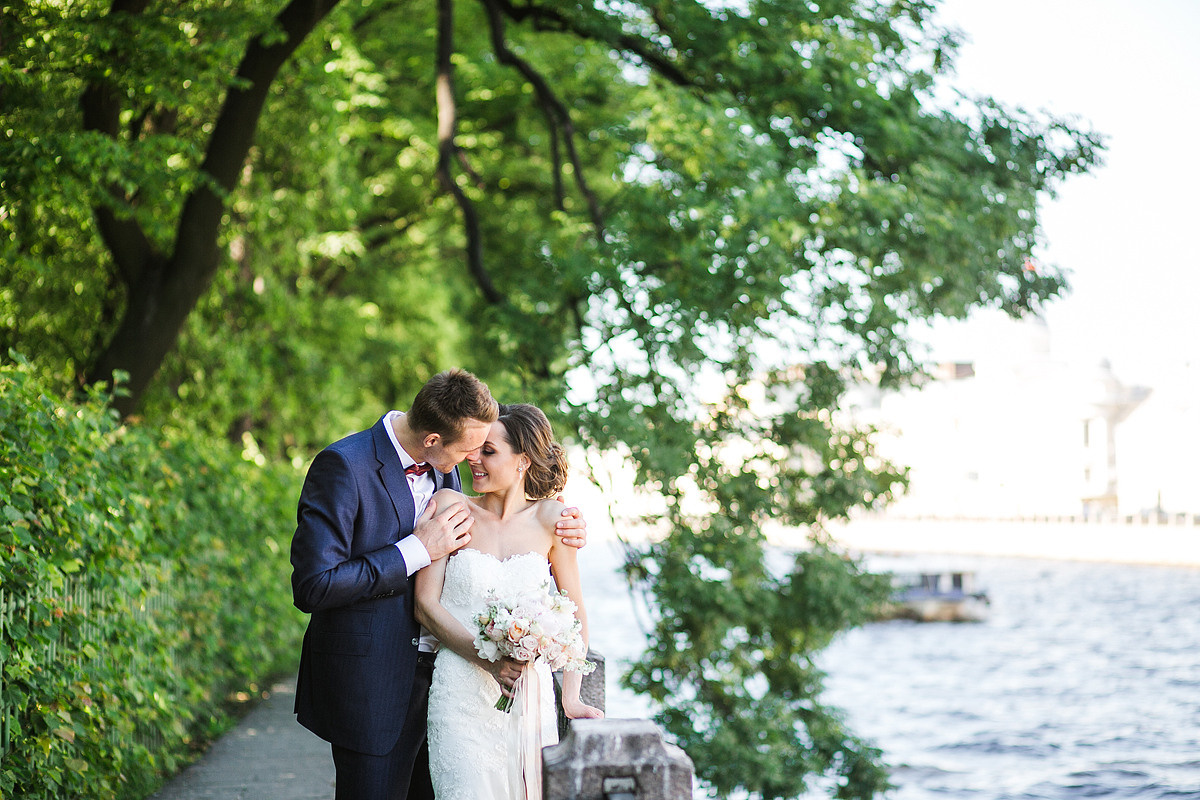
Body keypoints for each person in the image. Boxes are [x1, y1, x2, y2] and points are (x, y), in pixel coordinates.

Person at [290, 370, 587, 800]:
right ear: (433, 439)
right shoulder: (344, 466)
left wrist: (570, 529)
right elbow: (313, 585)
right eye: (470, 449)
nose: (472, 460)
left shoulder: (445, 472)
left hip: (451, 685)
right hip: (375, 681)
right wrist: (414, 550)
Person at [415, 403, 604, 800]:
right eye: (475, 449)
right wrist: (488, 661)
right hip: (458, 694)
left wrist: (571, 696)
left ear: (522, 461)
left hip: (528, 699)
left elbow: (574, 614)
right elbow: (425, 605)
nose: (473, 459)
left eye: (488, 451)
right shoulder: (451, 507)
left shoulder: (553, 521)